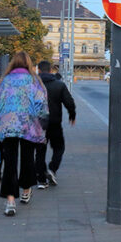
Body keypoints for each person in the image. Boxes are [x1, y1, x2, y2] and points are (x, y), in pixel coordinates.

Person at [0, 51, 48, 217]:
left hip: (8, 126)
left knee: (9, 162)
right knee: (28, 159)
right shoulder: (35, 81)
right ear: (29, 64)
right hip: (29, 126)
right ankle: (26, 190)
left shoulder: (4, 81)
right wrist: (42, 125)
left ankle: (10, 201)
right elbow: (41, 104)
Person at [34, 60, 76, 188]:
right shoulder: (59, 85)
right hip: (54, 123)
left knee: (40, 151)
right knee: (59, 148)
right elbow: (69, 102)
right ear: (51, 70)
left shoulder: (33, 85)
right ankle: (52, 169)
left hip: (38, 124)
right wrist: (72, 115)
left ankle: (41, 179)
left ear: (39, 70)